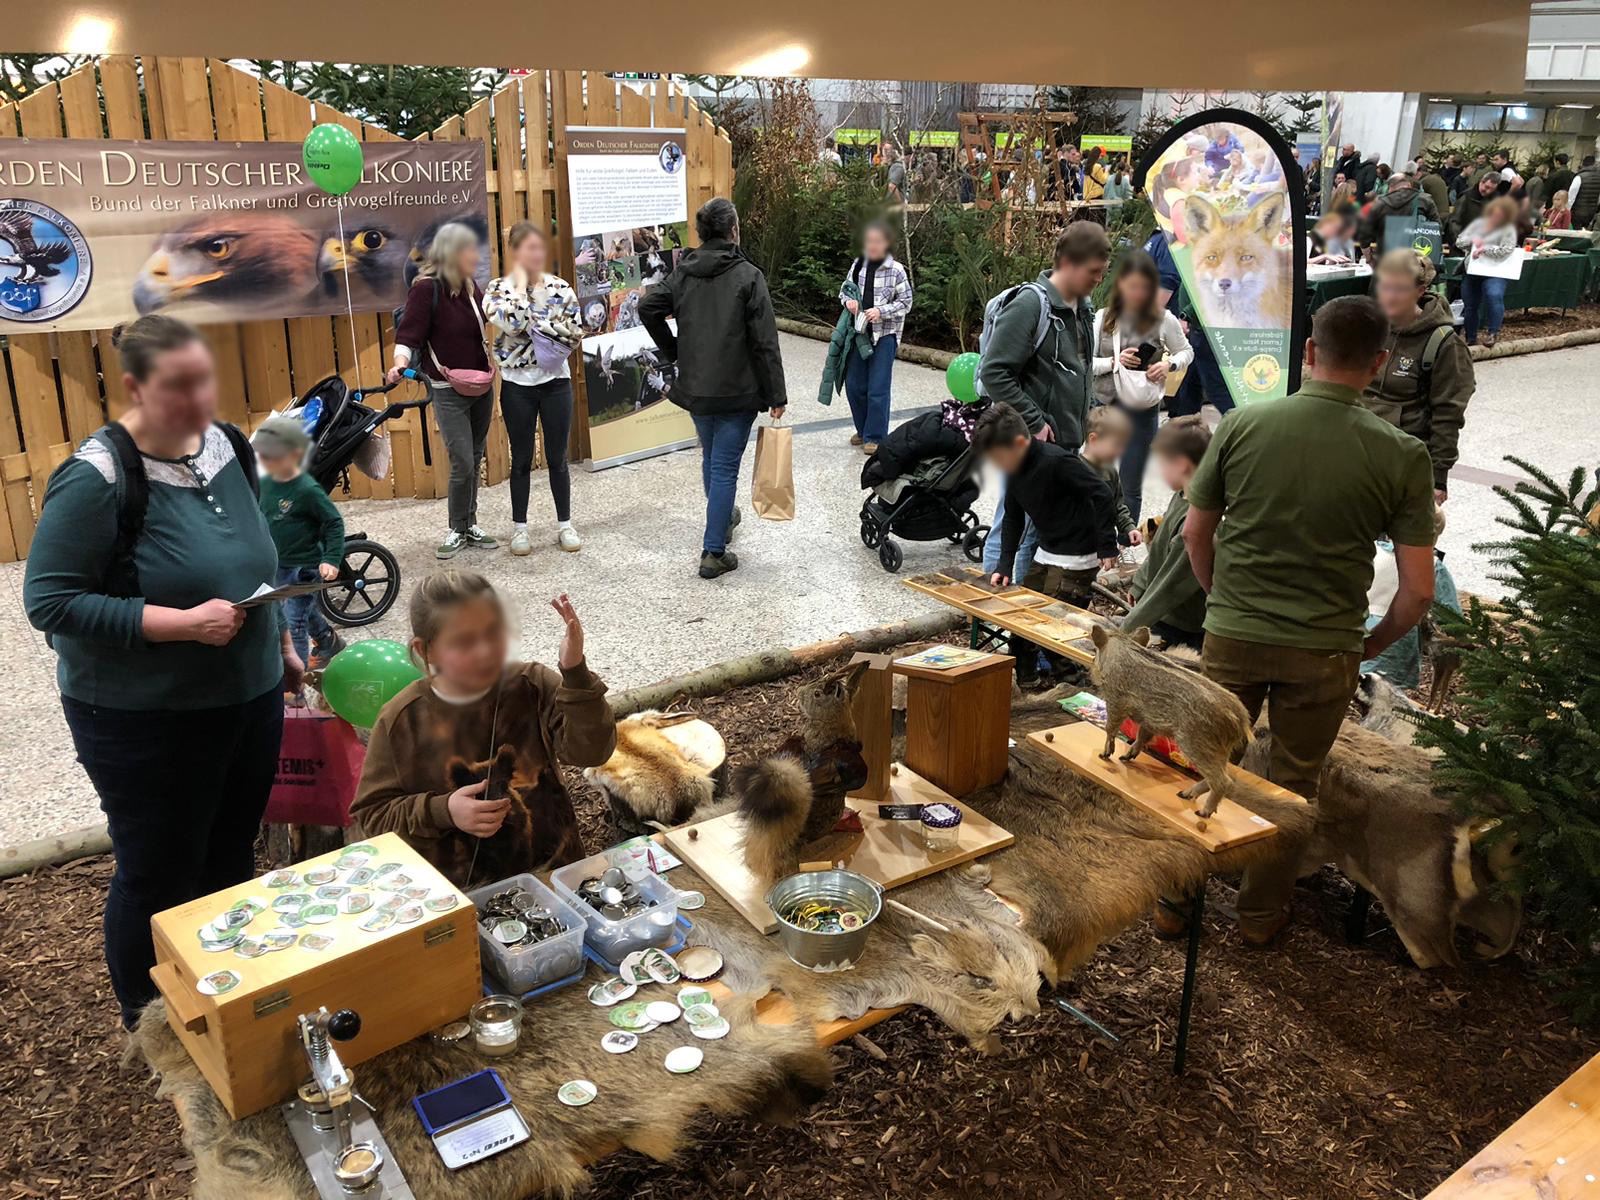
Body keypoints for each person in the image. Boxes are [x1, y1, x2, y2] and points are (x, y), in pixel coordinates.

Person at [23, 315, 301, 1028]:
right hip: (144, 719)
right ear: (134, 386)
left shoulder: (227, 445)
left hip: (248, 698)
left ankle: (223, 998)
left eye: (204, 380)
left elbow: (251, 560)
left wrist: (279, 645)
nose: (198, 400)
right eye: (178, 387)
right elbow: (49, 602)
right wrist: (180, 624)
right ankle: (147, 1024)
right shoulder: (97, 477)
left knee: (230, 852)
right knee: (158, 871)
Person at [1183, 296, 1436, 944]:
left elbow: (1194, 533)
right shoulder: (1403, 454)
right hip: (1326, 650)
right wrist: (1369, 644)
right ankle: (1260, 917)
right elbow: (1417, 593)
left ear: (1308, 352)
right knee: (1292, 787)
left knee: (1203, 764)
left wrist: (1221, 600)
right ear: (1379, 363)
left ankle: (1173, 904)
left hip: (1234, 632)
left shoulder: (1243, 425)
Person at [349, 571, 615, 889]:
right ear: (425, 650)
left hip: (554, 878)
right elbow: (373, 815)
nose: (485, 651)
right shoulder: (401, 720)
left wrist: (575, 674)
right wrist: (444, 810)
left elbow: (592, 752)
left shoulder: (532, 685)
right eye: (463, 642)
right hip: (457, 896)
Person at [639, 198, 787, 580]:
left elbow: (647, 308)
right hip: (739, 389)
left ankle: (722, 520)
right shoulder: (749, 276)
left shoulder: (683, 273)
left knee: (712, 458)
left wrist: (674, 350)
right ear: (733, 230)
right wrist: (776, 395)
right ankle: (713, 552)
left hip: (697, 388)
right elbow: (765, 342)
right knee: (724, 469)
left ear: (702, 233)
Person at [979, 222, 1111, 583]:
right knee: (1015, 528)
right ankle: (997, 602)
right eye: (1093, 271)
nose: (1099, 279)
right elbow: (994, 372)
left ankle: (1023, 607)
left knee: (1037, 533)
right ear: (1068, 262)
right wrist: (1034, 421)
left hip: (1062, 446)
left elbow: (1077, 371)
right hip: (1030, 447)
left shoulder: (1080, 309)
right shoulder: (1030, 305)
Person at [975, 401, 1117, 684]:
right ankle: (1027, 684)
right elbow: (1013, 517)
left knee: (1051, 630)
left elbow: (1102, 493)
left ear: (1019, 443)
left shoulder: (1057, 462)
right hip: (1047, 550)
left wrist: (1107, 544)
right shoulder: (1013, 470)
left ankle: (1074, 687)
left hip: (1077, 556)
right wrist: (1004, 564)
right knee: (1022, 622)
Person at [390, 221, 496, 560]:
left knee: (474, 457)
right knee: (462, 460)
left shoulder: (470, 287)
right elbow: (408, 335)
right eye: (469, 250)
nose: (475, 256)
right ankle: (456, 527)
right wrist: (398, 363)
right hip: (447, 387)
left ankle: (470, 524)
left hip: (480, 383)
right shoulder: (426, 290)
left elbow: (487, 322)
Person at [483, 222, 584, 556]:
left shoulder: (561, 287)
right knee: (522, 459)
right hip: (517, 385)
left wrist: (539, 329)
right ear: (514, 252)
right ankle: (520, 530)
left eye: (539, 248)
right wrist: (529, 301)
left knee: (557, 457)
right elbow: (510, 323)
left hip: (556, 382)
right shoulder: (498, 289)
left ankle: (565, 525)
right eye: (528, 248)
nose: (536, 254)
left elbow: (574, 331)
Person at [1089, 248, 1194, 523]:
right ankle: (1095, 536)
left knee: (1130, 484)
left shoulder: (1163, 319)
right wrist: (1114, 362)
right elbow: (1083, 362)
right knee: (1095, 477)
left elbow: (1186, 352)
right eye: (1132, 286)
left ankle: (1126, 537)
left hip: (1142, 406)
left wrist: (1168, 365)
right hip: (1105, 405)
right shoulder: (1102, 318)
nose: (1138, 294)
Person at [1363, 249, 1475, 503]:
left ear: (1420, 291)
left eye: (1399, 289)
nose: (1389, 296)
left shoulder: (1444, 343)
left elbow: (1448, 414)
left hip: (1404, 460)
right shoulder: (1371, 328)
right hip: (1359, 451)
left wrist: (1438, 477)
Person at [252, 415, 345, 673]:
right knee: (303, 611)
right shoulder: (265, 485)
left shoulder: (307, 489)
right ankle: (328, 641)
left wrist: (331, 558)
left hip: (304, 569)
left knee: (293, 625)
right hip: (278, 565)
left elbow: (334, 522)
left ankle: (296, 683)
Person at [1122, 415, 1212, 649]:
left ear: (1181, 464)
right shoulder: (1181, 496)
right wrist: (1140, 583)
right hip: (1161, 612)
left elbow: (1172, 585)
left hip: (1182, 623)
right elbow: (1160, 547)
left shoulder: (1194, 520)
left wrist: (1127, 628)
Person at [840, 220, 914, 455]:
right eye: (869, 241)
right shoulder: (858, 265)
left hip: (885, 335)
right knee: (854, 385)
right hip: (859, 333)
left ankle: (875, 436)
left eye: (878, 242)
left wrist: (881, 311)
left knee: (878, 387)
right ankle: (862, 429)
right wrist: (849, 302)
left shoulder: (896, 270)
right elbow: (844, 290)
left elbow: (906, 302)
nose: (873, 246)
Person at [1457, 195, 1521, 348]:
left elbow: (1506, 250)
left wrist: (1485, 249)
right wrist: (1472, 241)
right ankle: (1470, 337)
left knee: (1494, 296)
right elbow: (1459, 241)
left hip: (1495, 271)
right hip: (1473, 269)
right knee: (1470, 304)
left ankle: (1493, 332)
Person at [1078, 405, 1138, 550]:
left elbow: (1117, 505)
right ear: (1093, 439)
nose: (1121, 451)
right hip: (1076, 549)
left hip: (1103, 547)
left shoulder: (1110, 471)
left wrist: (1129, 527)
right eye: (1116, 445)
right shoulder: (1075, 470)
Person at [1355, 173, 1439, 248]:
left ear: (1391, 187)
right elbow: (1437, 226)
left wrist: (1368, 254)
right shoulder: (1425, 200)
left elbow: (1366, 232)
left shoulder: (1381, 202)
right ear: (1409, 185)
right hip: (1416, 250)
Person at [1450, 170, 1501, 242]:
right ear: (1481, 182)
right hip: (1464, 239)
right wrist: (1459, 240)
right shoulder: (1466, 197)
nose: (1488, 191)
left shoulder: (1496, 200)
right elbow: (1455, 221)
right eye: (1487, 187)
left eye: (1491, 189)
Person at [1568, 154, 1600, 229]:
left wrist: (1568, 210)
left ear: (1583, 164)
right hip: (1591, 212)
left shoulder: (1579, 177)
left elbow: (1571, 196)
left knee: (1575, 231)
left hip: (1577, 212)